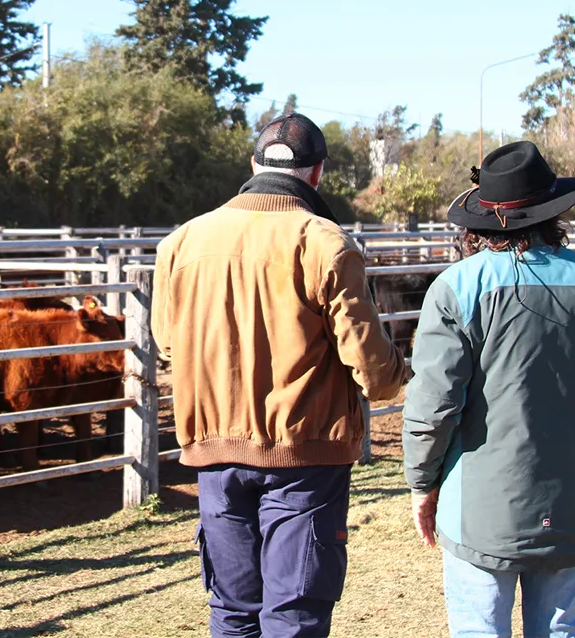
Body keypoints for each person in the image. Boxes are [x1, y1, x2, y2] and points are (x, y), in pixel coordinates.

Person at [152, 112, 408, 637]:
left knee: (231, 611)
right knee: (294, 614)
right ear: (317, 175)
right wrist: (403, 376)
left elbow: (169, 342)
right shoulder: (324, 241)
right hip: (305, 455)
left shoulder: (180, 244)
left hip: (216, 452)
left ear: (252, 163)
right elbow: (371, 367)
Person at [401, 140, 575, 637]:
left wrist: (422, 485)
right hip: (573, 506)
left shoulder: (456, 289)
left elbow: (433, 408)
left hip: (480, 512)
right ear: (551, 211)